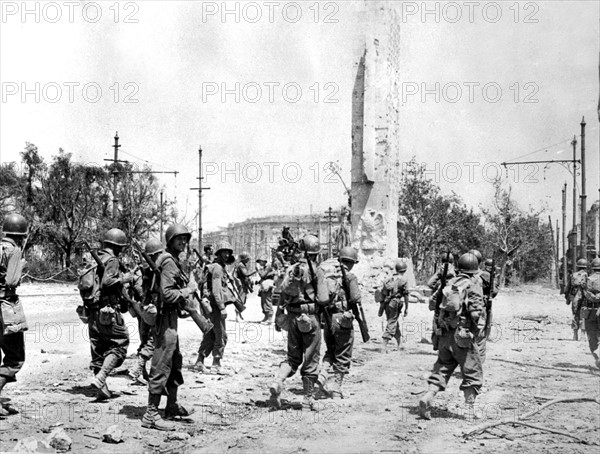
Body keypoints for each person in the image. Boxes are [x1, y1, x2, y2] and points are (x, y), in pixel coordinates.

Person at [142, 224, 196, 430]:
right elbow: (167, 294)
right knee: (162, 363)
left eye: (185, 239)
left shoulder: (170, 260)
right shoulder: (170, 263)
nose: (183, 242)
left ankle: (171, 405)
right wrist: (187, 290)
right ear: (170, 241)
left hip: (169, 318)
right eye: (178, 239)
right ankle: (151, 414)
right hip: (165, 320)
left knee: (175, 361)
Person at [419, 253, 485, 420]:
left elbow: (432, 304)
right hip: (462, 336)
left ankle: (428, 396)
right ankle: (470, 411)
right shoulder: (472, 285)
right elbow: (476, 313)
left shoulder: (448, 283)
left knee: (442, 367)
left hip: (444, 335)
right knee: (472, 370)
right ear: (474, 271)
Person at [268, 235, 328, 410]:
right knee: (311, 358)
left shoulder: (291, 269)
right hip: (310, 318)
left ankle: (278, 381)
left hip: (293, 317)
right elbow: (323, 298)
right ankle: (308, 398)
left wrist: (278, 318)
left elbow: (282, 295)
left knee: (292, 358)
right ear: (316, 253)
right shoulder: (317, 271)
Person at [89, 228, 132, 400]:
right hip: (107, 310)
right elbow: (107, 282)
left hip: (93, 311)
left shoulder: (98, 258)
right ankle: (101, 378)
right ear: (118, 246)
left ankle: (102, 389)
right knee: (120, 344)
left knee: (99, 349)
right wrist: (125, 278)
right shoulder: (112, 260)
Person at [317, 247, 360, 399]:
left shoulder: (327, 274)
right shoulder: (349, 276)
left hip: (328, 317)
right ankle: (336, 388)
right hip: (342, 319)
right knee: (343, 353)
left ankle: (321, 377)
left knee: (330, 350)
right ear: (352, 262)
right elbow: (355, 298)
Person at [0, 214, 28, 418]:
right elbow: (11, 280)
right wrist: (21, 265)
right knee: (15, 357)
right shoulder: (14, 250)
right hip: (5, 306)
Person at [127, 239, 164, 385]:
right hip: (153, 310)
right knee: (152, 340)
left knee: (147, 339)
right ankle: (138, 369)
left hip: (146, 309)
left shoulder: (145, 270)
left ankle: (142, 372)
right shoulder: (150, 271)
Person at [195, 241, 234, 374]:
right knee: (221, 335)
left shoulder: (217, 266)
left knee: (211, 333)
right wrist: (222, 307)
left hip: (211, 305)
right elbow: (216, 291)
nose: (227, 255)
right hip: (215, 306)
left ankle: (200, 361)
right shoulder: (217, 268)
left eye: (228, 252)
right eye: (224, 252)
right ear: (219, 253)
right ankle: (216, 363)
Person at [379, 259, 410, 353]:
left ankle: (400, 344)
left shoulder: (389, 278)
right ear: (404, 270)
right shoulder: (403, 280)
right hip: (395, 302)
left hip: (387, 303)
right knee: (392, 323)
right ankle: (384, 346)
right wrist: (407, 308)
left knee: (393, 321)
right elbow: (406, 295)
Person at [582, 258, 600, 369]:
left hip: (591, 311)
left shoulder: (588, 280)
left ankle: (597, 357)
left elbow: (582, 298)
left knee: (592, 336)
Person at [565, 258, 588, 341]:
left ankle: (575, 335)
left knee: (575, 315)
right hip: (585, 298)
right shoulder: (587, 276)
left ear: (578, 266)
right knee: (584, 316)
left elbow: (568, 288)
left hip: (575, 297)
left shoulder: (573, 275)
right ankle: (582, 335)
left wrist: (567, 298)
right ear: (585, 267)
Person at [256, 255, 276, 324]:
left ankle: (269, 318)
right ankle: (266, 317)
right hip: (264, 285)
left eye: (261, 262)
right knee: (263, 301)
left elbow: (263, 275)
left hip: (268, 285)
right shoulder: (265, 268)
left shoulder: (268, 267)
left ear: (264, 261)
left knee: (267, 301)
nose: (260, 263)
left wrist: (258, 270)